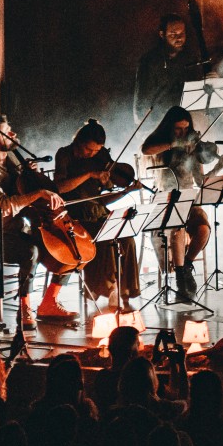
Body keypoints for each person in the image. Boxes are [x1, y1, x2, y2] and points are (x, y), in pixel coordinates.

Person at [0, 113, 67, 328]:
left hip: (19, 228)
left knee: (65, 246)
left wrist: (28, 174)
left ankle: (50, 301)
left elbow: (22, 188)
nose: (14, 134)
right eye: (8, 132)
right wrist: (39, 193)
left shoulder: (11, 160)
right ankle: (24, 308)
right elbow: (3, 206)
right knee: (31, 252)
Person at [53, 118, 141, 313]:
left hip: (97, 212)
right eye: (89, 150)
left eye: (96, 151)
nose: (92, 155)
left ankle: (123, 289)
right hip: (75, 216)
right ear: (79, 142)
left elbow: (101, 201)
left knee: (127, 237)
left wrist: (126, 191)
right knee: (106, 238)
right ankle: (107, 288)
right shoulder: (65, 154)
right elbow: (59, 188)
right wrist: (89, 174)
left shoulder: (100, 160)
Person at [141, 105, 223, 303]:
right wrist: (174, 142)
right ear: (170, 128)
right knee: (177, 228)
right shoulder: (161, 144)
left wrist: (217, 169)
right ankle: (179, 277)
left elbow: (200, 181)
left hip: (188, 198)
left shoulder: (192, 148)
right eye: (178, 129)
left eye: (186, 129)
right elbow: (145, 149)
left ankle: (186, 266)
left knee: (203, 229)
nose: (183, 133)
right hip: (165, 198)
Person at [133, 12, 208, 124]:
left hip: (183, 123)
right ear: (162, 35)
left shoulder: (190, 58)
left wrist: (209, 81)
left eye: (182, 33)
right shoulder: (149, 62)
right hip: (158, 123)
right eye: (173, 34)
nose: (179, 38)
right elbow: (141, 105)